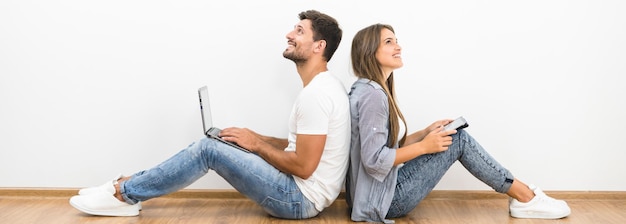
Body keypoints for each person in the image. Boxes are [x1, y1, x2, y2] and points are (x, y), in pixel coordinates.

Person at [69, 10, 350, 220]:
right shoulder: (323, 87)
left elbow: (303, 166)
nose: (289, 35)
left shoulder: (316, 95)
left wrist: (256, 146)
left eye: (299, 31)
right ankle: (128, 185)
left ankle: (124, 194)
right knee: (219, 143)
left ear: (319, 46)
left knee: (208, 150)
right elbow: (301, 148)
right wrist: (254, 137)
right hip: (301, 193)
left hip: (298, 200)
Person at [344, 23, 571, 223]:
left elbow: (385, 147)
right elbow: (374, 161)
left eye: (396, 40)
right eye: (389, 42)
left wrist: (424, 134)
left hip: (373, 194)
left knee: (453, 135)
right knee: (458, 140)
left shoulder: (368, 89)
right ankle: (525, 197)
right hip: (383, 201)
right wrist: (425, 147)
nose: (399, 46)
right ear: (370, 51)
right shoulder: (373, 96)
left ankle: (524, 195)